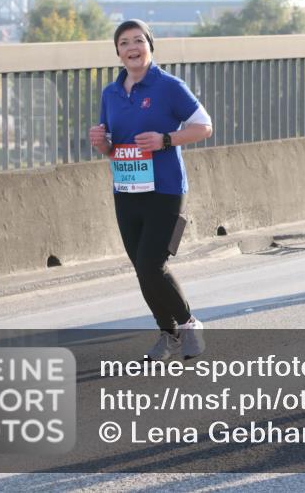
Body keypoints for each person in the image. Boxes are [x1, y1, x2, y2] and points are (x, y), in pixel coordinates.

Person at [89, 20, 213, 360]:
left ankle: (188, 325)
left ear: (150, 46)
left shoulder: (169, 86)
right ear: (117, 52)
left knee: (151, 263)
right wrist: (101, 143)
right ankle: (168, 334)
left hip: (166, 189)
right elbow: (111, 145)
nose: (132, 47)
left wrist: (166, 139)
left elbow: (204, 126)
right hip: (126, 191)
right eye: (124, 42)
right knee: (141, 268)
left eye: (138, 40)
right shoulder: (110, 94)